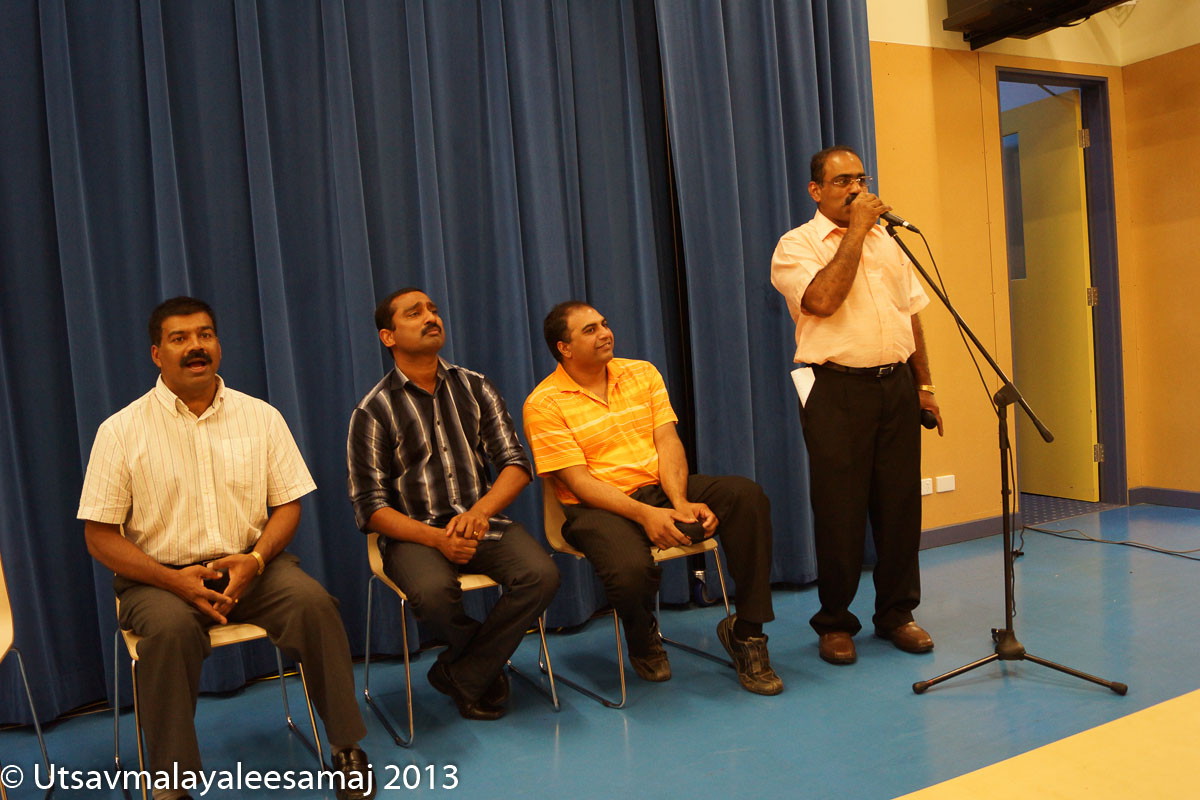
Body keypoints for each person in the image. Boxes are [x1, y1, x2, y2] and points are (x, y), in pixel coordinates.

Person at [78, 297, 373, 800]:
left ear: (217, 344)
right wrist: (173, 580)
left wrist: (255, 560)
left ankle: (347, 746)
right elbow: (99, 535)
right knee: (170, 632)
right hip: (159, 579)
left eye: (205, 334)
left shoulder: (261, 417)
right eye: (179, 338)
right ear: (157, 354)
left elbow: (288, 505)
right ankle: (171, 783)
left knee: (314, 605)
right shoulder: (120, 431)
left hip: (253, 566)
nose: (196, 346)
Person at [523, 301, 782, 696]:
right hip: (595, 506)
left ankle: (747, 633)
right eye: (590, 330)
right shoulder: (544, 403)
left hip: (660, 488)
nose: (605, 333)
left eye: (604, 323)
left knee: (746, 496)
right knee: (629, 569)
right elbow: (578, 482)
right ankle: (642, 634)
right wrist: (646, 515)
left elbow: (667, 441)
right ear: (565, 348)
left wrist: (678, 501)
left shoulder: (641, 373)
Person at [347, 288, 559, 721]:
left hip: (482, 521)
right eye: (414, 313)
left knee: (541, 575)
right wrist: (438, 539)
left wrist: (479, 514)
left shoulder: (476, 386)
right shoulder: (373, 410)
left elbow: (516, 464)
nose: (431, 317)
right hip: (415, 534)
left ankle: (462, 672)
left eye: (433, 310)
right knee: (432, 595)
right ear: (388, 337)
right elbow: (371, 508)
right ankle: (479, 665)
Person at [770, 145, 944, 667]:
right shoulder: (795, 245)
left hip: (896, 387)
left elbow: (910, 315)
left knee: (900, 509)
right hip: (837, 389)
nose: (855, 188)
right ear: (816, 190)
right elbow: (822, 301)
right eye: (842, 180)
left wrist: (924, 385)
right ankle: (835, 623)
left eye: (861, 179)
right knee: (840, 512)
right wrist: (856, 233)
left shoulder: (889, 242)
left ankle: (896, 614)